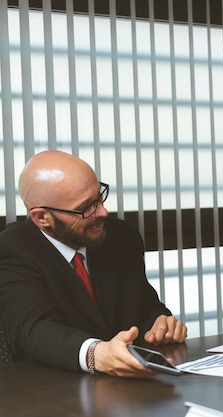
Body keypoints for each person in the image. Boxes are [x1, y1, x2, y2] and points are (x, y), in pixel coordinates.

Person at [0, 150, 187, 377]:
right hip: (54, 390)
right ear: (42, 218)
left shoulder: (119, 236)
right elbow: (35, 330)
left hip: (131, 388)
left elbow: (144, 305)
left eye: (99, 198)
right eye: (85, 208)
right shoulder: (12, 249)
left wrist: (160, 323)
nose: (103, 212)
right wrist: (96, 354)